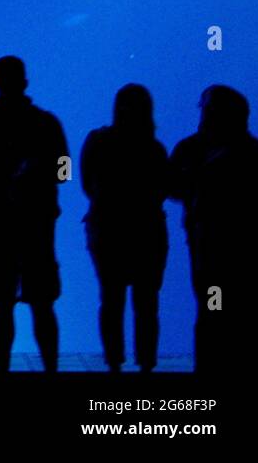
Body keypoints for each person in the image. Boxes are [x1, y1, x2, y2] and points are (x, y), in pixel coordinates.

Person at [0, 56, 68, 372]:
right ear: (25, 81)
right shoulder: (46, 122)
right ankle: (50, 369)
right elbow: (64, 170)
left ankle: (3, 370)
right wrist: (35, 171)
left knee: (0, 301)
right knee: (42, 302)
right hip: (38, 221)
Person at [169, 85, 258, 373]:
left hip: (224, 249)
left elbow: (171, 186)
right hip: (211, 249)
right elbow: (171, 185)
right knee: (219, 312)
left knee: (221, 312)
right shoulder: (252, 151)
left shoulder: (194, 149)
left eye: (208, 110)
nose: (204, 116)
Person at [80, 84, 168, 372]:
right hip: (146, 231)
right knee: (145, 302)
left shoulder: (97, 140)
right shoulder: (154, 148)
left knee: (112, 298)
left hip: (107, 229)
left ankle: (115, 363)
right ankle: (145, 364)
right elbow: (161, 189)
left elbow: (86, 183)